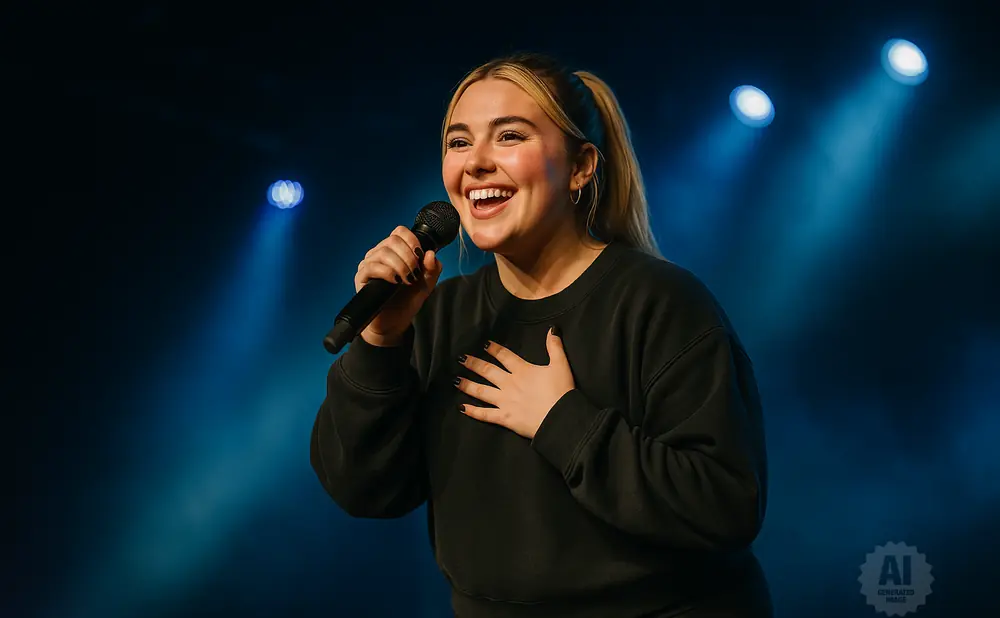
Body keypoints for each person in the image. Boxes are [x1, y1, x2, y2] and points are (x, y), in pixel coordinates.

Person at [310, 52, 772, 618]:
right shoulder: (439, 314)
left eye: (509, 136)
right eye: (459, 142)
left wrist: (563, 422)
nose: (476, 162)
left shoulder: (660, 303)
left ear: (581, 167)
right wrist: (380, 342)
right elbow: (363, 489)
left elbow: (726, 505)